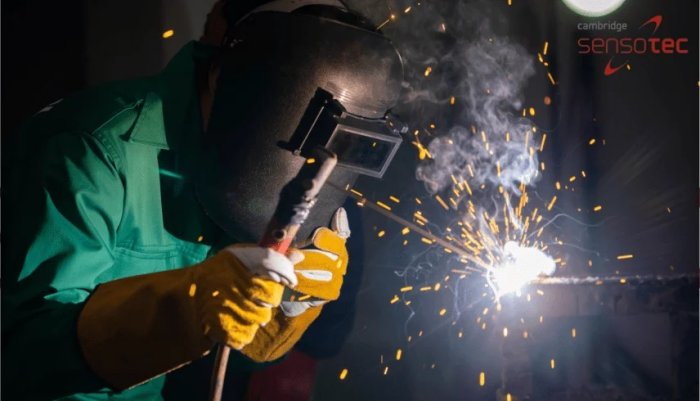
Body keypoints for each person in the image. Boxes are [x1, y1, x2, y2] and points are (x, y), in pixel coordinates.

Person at [1, 1, 404, 400]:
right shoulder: (91, 149)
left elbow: (235, 357)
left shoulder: (251, 181)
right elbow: (25, 353)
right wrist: (187, 307)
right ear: (224, 78)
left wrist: (286, 308)